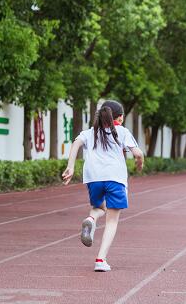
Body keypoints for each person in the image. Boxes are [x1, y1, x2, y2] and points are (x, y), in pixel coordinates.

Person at [61, 100, 144, 272]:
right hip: (115, 178)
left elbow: (76, 143)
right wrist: (140, 162)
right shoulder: (121, 131)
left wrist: (70, 166)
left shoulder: (90, 132)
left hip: (93, 178)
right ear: (119, 118)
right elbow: (137, 152)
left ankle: (91, 219)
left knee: (99, 207)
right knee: (112, 220)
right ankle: (100, 260)